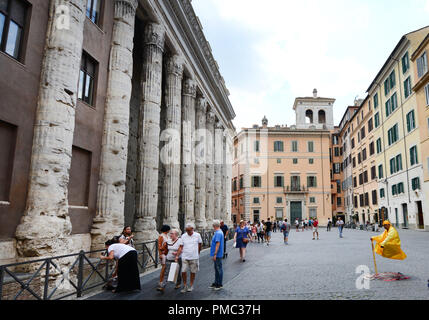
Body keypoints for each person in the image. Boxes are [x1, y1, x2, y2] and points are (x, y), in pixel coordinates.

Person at [177, 223, 202, 293]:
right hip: (185, 256)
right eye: (187, 231)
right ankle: (185, 285)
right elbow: (181, 246)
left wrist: (198, 253)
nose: (188, 232)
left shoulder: (197, 235)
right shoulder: (183, 236)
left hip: (194, 256)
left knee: (192, 272)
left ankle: (191, 285)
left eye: (189, 231)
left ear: (192, 229)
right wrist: (177, 255)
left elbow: (200, 244)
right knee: (183, 271)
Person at [209, 220, 224, 291]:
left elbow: (217, 244)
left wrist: (215, 254)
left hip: (217, 254)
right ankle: (216, 282)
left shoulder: (218, 233)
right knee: (217, 268)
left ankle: (219, 284)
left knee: (218, 269)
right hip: (218, 254)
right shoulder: (219, 232)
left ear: (214, 226)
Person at [157, 225, 170, 291]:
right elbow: (159, 246)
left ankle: (163, 280)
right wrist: (160, 254)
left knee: (165, 268)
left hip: (167, 253)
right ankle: (161, 281)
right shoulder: (161, 236)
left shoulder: (166, 236)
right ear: (167, 230)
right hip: (163, 254)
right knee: (163, 268)